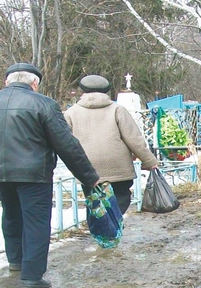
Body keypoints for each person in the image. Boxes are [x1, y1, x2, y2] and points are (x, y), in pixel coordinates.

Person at [0, 62, 102, 288]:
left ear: (7, 81)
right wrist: (89, 177)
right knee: (36, 221)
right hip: (33, 174)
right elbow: (67, 145)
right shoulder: (43, 104)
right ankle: (32, 277)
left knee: (11, 213)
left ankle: (16, 260)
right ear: (35, 83)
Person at [65, 74, 160, 214]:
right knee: (121, 196)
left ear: (83, 90)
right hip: (118, 166)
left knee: (95, 201)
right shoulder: (117, 110)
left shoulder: (70, 113)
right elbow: (134, 139)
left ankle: (103, 228)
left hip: (88, 166)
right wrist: (149, 161)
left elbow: (66, 142)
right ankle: (114, 223)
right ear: (106, 90)